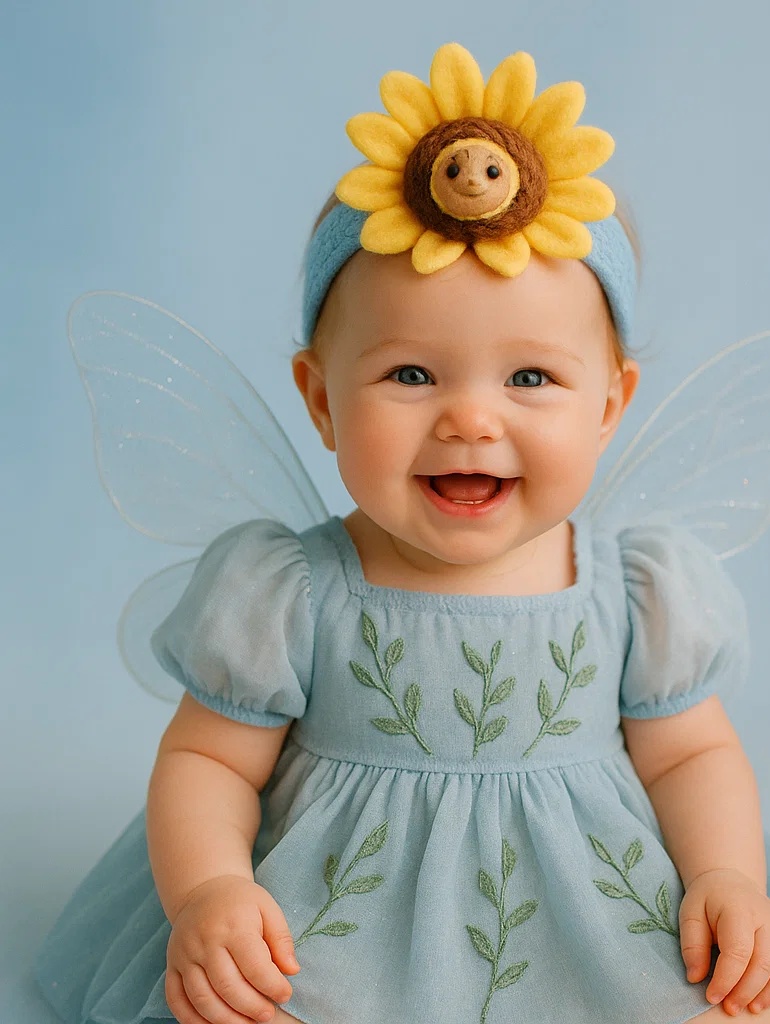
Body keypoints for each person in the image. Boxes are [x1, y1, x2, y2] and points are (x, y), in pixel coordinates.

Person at [36, 42, 770, 1024]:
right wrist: (210, 889)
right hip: (327, 918)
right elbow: (208, 762)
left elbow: (686, 756)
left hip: (581, 921)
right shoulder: (289, 589)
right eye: (411, 375)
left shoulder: (632, 590)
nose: (471, 419)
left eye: (529, 379)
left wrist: (724, 872)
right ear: (320, 399)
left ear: (608, 404)